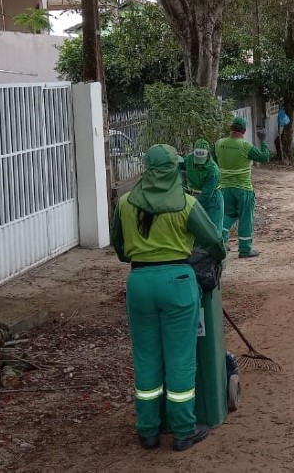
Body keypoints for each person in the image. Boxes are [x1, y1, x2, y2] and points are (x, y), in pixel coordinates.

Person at [111, 144, 227, 451]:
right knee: (180, 359)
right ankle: (183, 431)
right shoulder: (186, 204)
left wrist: (142, 254)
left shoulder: (124, 203)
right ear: (174, 170)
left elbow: (120, 248)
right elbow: (214, 241)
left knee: (146, 357)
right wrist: (216, 255)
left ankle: (148, 430)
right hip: (177, 282)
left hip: (139, 283)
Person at [214, 116, 270, 258]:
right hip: (243, 189)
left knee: (227, 215)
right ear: (244, 131)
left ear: (230, 128)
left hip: (224, 187)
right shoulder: (245, 146)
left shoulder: (219, 144)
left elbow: (214, 162)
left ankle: (220, 242)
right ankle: (245, 249)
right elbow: (264, 157)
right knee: (245, 218)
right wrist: (263, 141)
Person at [183, 139, 226, 243]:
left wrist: (194, 205)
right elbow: (180, 168)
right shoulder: (189, 159)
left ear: (208, 155)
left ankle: (218, 255)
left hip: (212, 200)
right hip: (193, 197)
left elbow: (207, 194)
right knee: (197, 230)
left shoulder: (213, 170)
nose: (199, 164)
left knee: (214, 230)